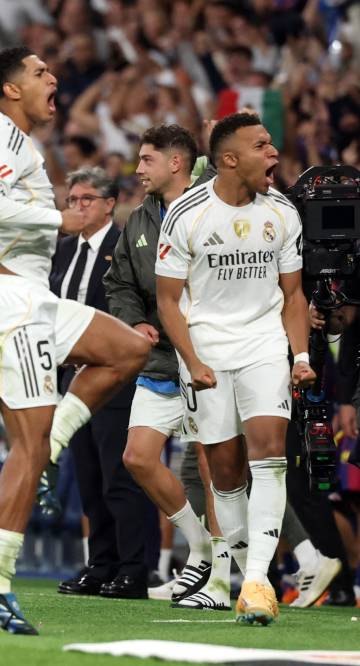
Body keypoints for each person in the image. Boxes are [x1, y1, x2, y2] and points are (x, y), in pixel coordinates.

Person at [0, 46, 150, 635]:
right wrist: (61, 220)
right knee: (25, 449)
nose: (53, 77)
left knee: (128, 349)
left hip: (31, 301)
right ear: (9, 90)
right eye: (39, 72)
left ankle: (55, 436)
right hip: (16, 308)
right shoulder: (2, 139)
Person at [155, 112, 315, 626]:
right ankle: (252, 573)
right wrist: (192, 359)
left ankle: (257, 580)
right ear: (229, 159)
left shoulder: (283, 212)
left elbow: (293, 295)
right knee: (224, 473)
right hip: (205, 350)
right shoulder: (186, 213)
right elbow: (166, 300)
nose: (273, 153)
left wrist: (301, 356)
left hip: (265, 345)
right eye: (262, 145)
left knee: (269, 453)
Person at [103, 124, 234, 610]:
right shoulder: (138, 219)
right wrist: (134, 320)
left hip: (208, 356)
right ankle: (200, 550)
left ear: (176, 163)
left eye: (146, 160)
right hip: (159, 359)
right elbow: (117, 283)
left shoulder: (212, 207)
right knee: (137, 456)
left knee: (210, 460)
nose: (137, 170)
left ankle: (220, 578)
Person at [50, 167, 156, 601]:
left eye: (87, 199)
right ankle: (101, 564)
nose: (78, 207)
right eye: (72, 200)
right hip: (70, 376)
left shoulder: (124, 245)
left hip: (115, 377)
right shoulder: (61, 251)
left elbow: (139, 298)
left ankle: (134, 568)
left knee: (119, 474)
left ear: (110, 204)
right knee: (89, 478)